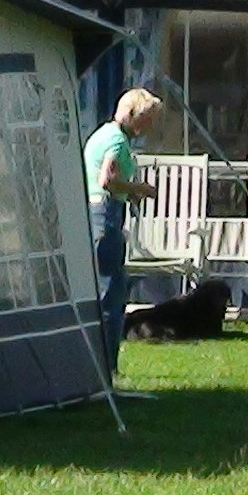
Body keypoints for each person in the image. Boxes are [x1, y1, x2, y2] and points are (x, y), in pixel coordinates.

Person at [84, 88, 164, 370]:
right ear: (132, 116)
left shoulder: (102, 134)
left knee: (102, 288)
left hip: (95, 212)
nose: (148, 127)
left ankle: (96, 361)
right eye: (147, 120)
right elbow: (106, 180)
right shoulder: (117, 141)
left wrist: (127, 193)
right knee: (112, 292)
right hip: (105, 215)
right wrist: (136, 188)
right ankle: (106, 364)